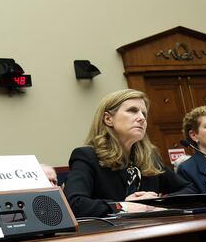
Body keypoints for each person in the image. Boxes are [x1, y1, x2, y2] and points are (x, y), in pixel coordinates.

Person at [64, 89, 193, 217]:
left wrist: (155, 202)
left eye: (144, 114)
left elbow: (190, 189)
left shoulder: (149, 158)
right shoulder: (87, 156)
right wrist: (123, 206)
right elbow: (75, 204)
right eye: (132, 111)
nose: (142, 118)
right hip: (111, 234)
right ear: (108, 119)